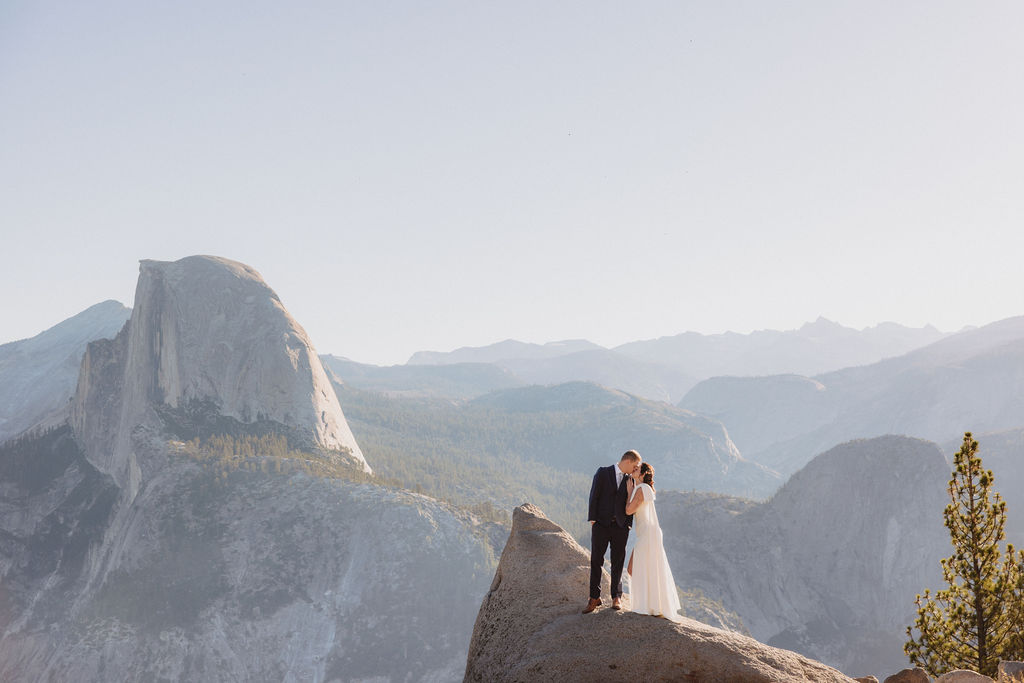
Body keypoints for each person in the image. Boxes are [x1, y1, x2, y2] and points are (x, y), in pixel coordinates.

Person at [583, 450, 641, 614]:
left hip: (620, 527)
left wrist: (627, 524)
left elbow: (632, 500)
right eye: (635, 466)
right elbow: (594, 495)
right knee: (596, 560)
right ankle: (594, 597)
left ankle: (616, 597)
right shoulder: (603, 472)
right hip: (601, 524)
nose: (636, 469)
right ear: (628, 461)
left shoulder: (631, 479)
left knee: (618, 562)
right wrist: (593, 520)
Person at [624, 462, 683, 621]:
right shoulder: (644, 488)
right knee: (646, 567)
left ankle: (648, 605)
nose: (633, 471)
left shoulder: (641, 488)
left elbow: (629, 510)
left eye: (636, 470)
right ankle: (652, 605)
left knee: (633, 568)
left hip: (648, 534)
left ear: (642, 474)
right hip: (648, 533)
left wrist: (629, 492)